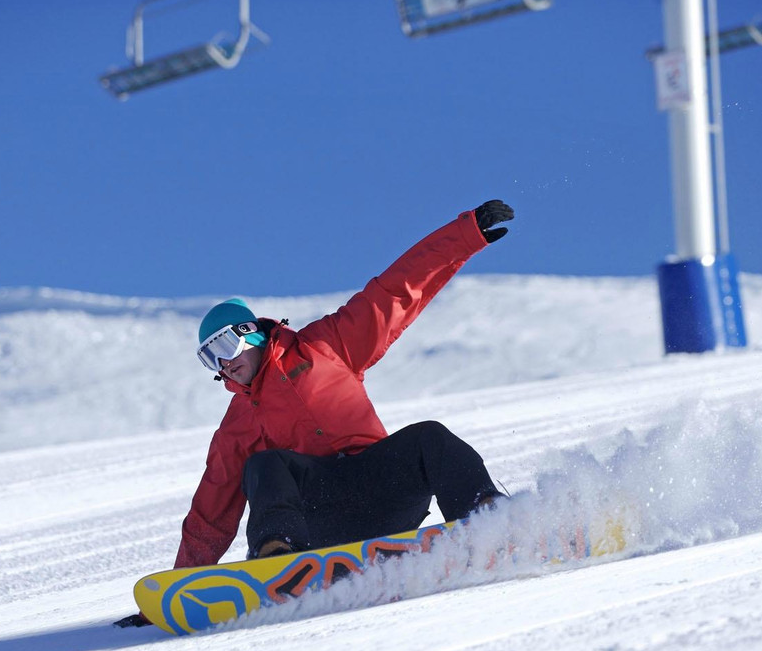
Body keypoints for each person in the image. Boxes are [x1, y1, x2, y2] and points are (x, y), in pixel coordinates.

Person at [115, 200, 513, 627]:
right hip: (319, 517)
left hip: (383, 490)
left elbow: (396, 291)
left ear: (250, 334)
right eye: (210, 358)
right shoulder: (237, 425)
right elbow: (210, 514)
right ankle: (277, 560)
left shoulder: (327, 345)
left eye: (225, 347)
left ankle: (489, 520)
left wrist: (467, 235)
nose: (224, 363)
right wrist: (177, 594)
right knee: (264, 465)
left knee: (429, 437)